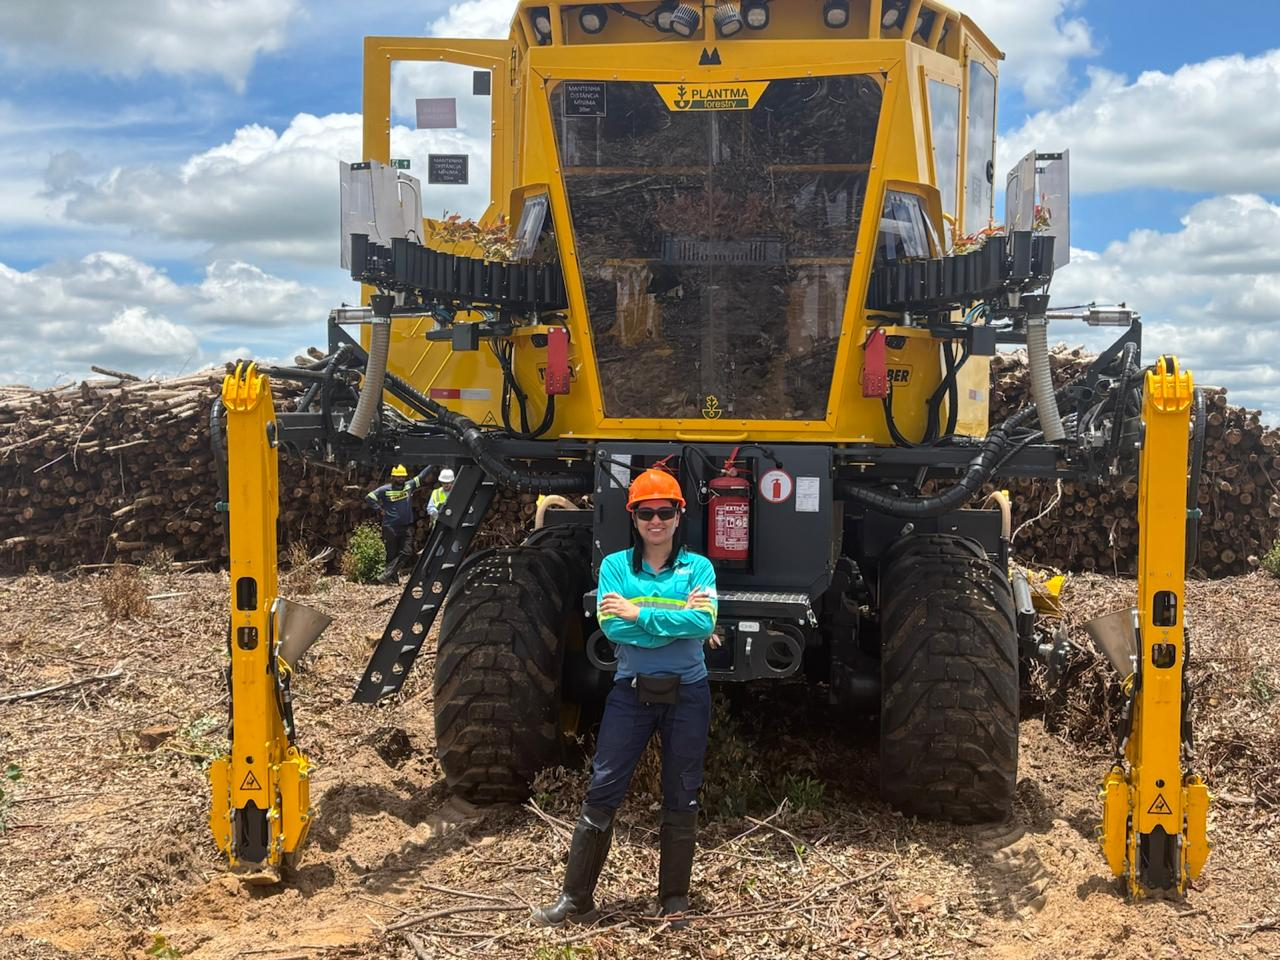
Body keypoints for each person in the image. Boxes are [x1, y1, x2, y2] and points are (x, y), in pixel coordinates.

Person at [534, 467, 718, 929]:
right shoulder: (614, 565)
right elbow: (613, 626)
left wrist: (640, 612)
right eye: (646, 513)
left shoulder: (700, 567)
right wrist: (676, 614)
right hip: (631, 696)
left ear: (679, 515)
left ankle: (674, 900)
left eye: (665, 512)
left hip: (689, 696)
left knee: (683, 794)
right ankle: (576, 900)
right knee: (603, 790)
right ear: (633, 517)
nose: (656, 521)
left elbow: (705, 624)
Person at [365, 464, 436, 583]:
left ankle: (385, 576)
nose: (401, 479)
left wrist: (432, 465)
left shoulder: (409, 486)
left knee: (407, 551)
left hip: (405, 526)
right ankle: (392, 580)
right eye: (398, 477)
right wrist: (379, 509)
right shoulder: (385, 489)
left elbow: (421, 476)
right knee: (391, 554)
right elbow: (369, 497)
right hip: (390, 526)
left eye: (403, 477)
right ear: (393, 477)